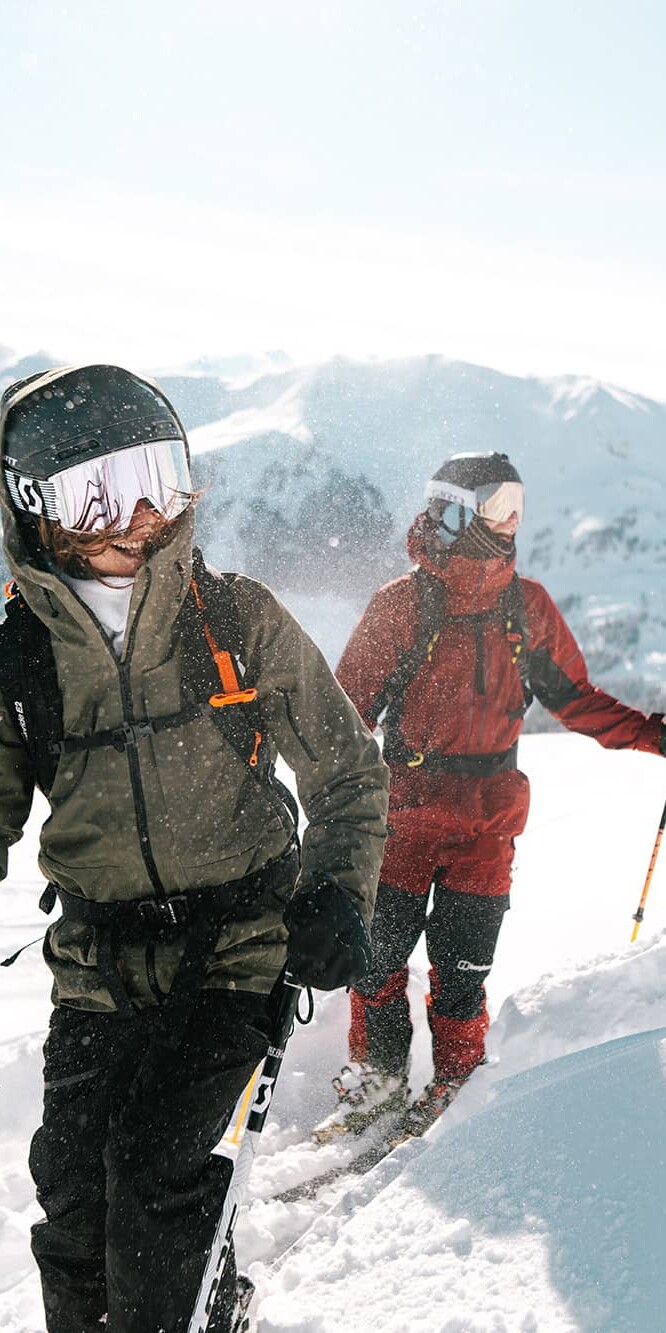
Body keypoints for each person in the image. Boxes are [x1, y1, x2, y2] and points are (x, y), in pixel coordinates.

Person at [0, 364, 389, 1333]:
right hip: (97, 969)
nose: (139, 515)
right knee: (73, 1197)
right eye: (98, 492)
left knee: (154, 1177)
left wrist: (337, 890)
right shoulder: (23, 659)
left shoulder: (234, 619)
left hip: (237, 950)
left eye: (154, 479)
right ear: (36, 511)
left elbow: (347, 771)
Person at [316, 450, 665, 1142]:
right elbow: (342, 717)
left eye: (517, 508)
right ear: (455, 512)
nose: (511, 522)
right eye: (498, 506)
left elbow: (575, 700)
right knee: (377, 961)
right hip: (404, 816)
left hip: (487, 822)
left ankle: (456, 1086)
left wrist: (654, 735)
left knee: (462, 970)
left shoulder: (525, 607)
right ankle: (377, 1083)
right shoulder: (402, 605)